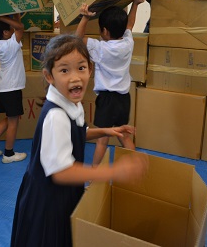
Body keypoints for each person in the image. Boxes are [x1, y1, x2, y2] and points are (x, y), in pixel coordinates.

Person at [10, 34, 148, 246]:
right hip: (48, 201)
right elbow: (61, 172)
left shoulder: (72, 104)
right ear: (49, 77)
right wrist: (113, 172)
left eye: (81, 68)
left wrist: (107, 131)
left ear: (90, 70)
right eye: (64, 70)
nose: (75, 77)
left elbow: (77, 133)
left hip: (62, 195)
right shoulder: (56, 116)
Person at [76, 0, 145, 166]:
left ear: (105, 31)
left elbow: (77, 39)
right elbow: (130, 24)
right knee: (123, 135)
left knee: (102, 140)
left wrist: (85, 17)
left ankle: (93, 178)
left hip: (107, 100)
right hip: (123, 98)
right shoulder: (128, 43)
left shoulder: (100, 48)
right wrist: (135, 4)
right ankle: (137, 167)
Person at [0, 13, 27, 163]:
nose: (13, 30)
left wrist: (16, 14)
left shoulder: (0, 43)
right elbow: (20, 27)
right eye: (10, 28)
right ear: (6, 32)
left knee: (10, 117)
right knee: (14, 121)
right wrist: (0, 18)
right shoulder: (10, 45)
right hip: (11, 88)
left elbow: (17, 26)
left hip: (2, 87)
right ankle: (9, 154)